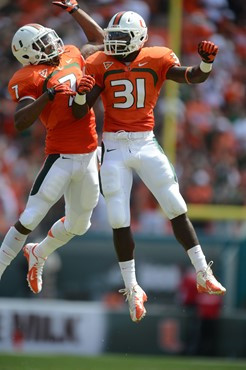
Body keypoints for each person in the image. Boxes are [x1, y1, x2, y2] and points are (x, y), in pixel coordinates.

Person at [72, 11, 226, 322]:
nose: (113, 43)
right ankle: (133, 289)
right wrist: (79, 94)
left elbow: (191, 76)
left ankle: (201, 270)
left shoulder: (157, 57)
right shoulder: (100, 63)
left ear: (139, 39)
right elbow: (81, 111)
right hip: (114, 143)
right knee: (118, 216)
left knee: (175, 204)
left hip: (144, 141)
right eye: (110, 37)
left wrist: (206, 64)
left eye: (119, 38)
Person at [0, 0, 104, 294]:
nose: (51, 42)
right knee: (29, 217)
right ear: (29, 54)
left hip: (89, 153)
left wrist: (74, 10)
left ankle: (39, 253)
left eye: (48, 37)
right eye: (42, 43)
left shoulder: (71, 53)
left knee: (80, 224)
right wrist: (46, 96)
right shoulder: (28, 78)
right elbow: (21, 121)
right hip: (60, 155)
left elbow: (99, 40)